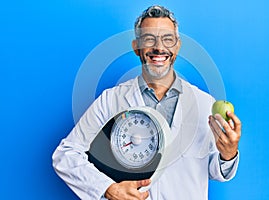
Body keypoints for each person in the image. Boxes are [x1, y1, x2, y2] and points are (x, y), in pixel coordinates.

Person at [52, 5, 241, 200]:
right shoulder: (111, 100)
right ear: (136, 47)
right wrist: (108, 189)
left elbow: (216, 171)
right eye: (149, 39)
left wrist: (228, 154)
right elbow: (65, 155)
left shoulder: (203, 103)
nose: (159, 48)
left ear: (177, 46)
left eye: (167, 39)